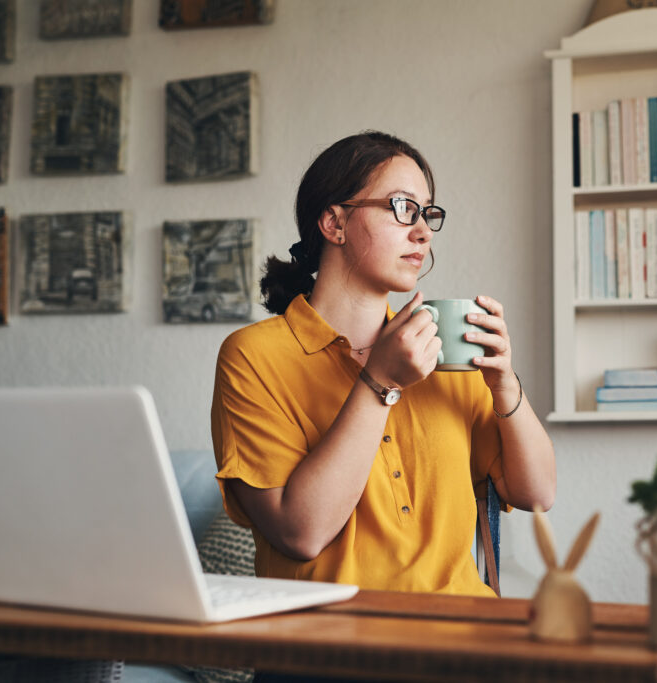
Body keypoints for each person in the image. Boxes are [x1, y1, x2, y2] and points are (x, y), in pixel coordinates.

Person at [210, 131, 556, 598]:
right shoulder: (252, 357)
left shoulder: (444, 351)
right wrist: (380, 380)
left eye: (427, 212)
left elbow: (536, 493)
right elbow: (300, 534)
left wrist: (505, 384)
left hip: (463, 641)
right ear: (334, 223)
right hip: (330, 649)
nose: (423, 231)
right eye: (401, 207)